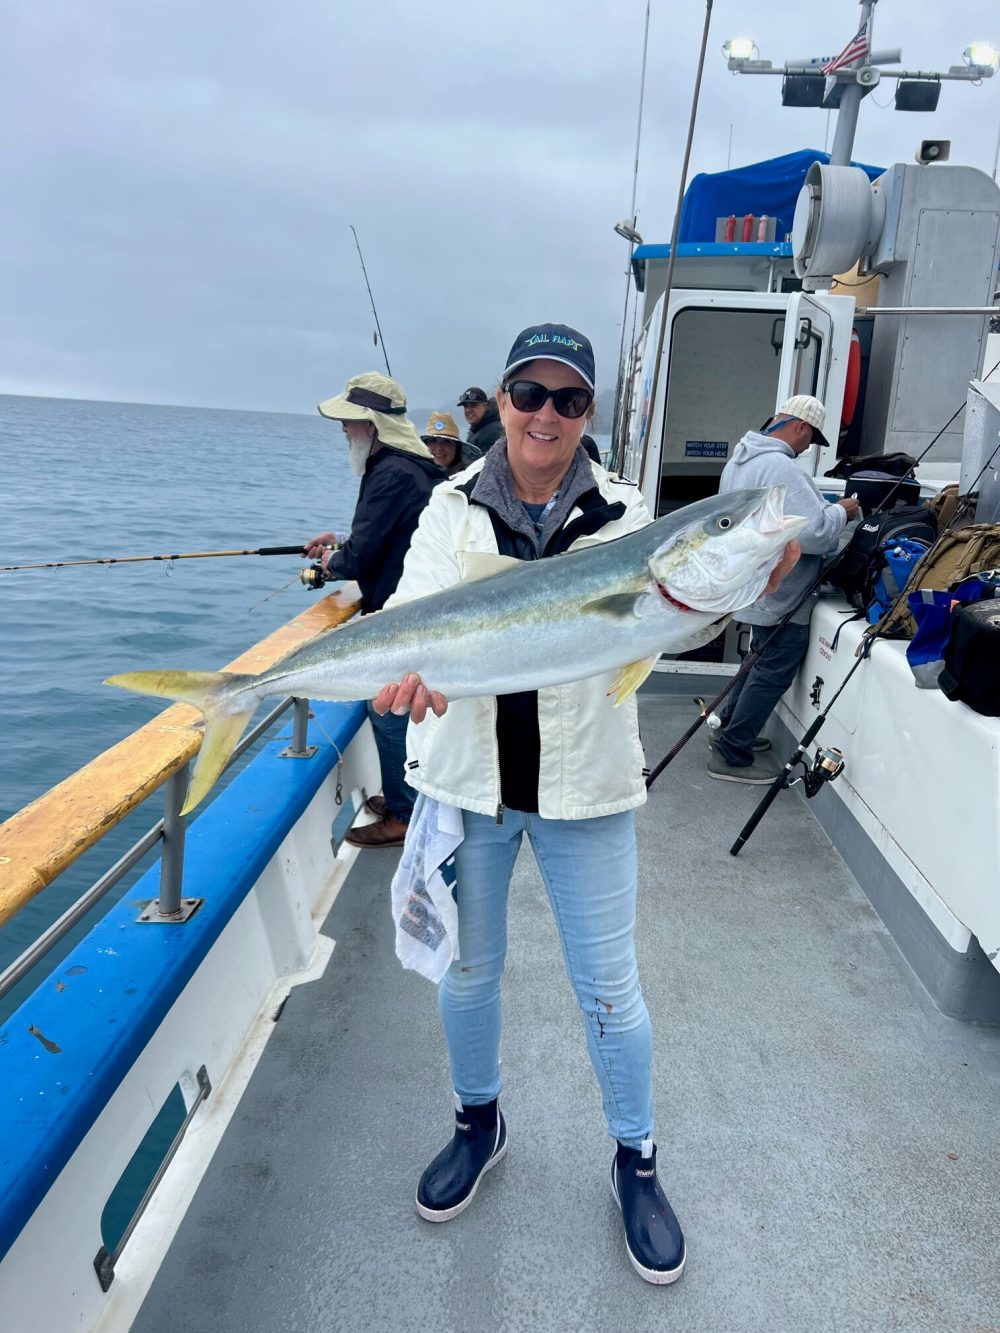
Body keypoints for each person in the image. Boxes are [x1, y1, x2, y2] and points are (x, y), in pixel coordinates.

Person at [371, 324, 799, 1284]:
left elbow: (676, 627)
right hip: (467, 786)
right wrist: (406, 676)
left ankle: (635, 1160)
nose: (545, 415)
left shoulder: (629, 518)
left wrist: (742, 579)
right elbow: (417, 618)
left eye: (569, 400)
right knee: (468, 976)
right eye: (530, 393)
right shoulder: (447, 509)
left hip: (586, 792)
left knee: (611, 990)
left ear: (589, 414)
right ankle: (478, 1125)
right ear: (507, 400)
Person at [304, 371, 446, 847]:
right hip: (421, 607)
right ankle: (409, 795)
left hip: (400, 613)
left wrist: (332, 562)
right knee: (402, 705)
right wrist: (341, 542)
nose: (344, 430)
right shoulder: (412, 466)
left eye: (349, 422)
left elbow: (363, 556)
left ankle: (404, 814)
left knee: (387, 707)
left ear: (371, 425)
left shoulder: (389, 473)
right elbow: (390, 534)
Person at [708, 394, 860, 784]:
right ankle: (732, 751)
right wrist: (844, 510)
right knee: (774, 668)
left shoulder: (740, 460)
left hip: (754, 585)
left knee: (757, 659)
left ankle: (727, 728)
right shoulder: (780, 466)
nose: (809, 447)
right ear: (801, 427)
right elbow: (814, 534)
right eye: (812, 439)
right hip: (782, 592)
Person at [420, 410, 483, 477]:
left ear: (457, 448)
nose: (439, 447)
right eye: (433, 441)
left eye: (447, 442)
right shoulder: (416, 477)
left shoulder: (469, 480)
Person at [456, 385, 504, 452]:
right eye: (465, 406)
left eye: (473, 405)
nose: (468, 410)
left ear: (486, 406)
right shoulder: (477, 430)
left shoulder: (493, 433)